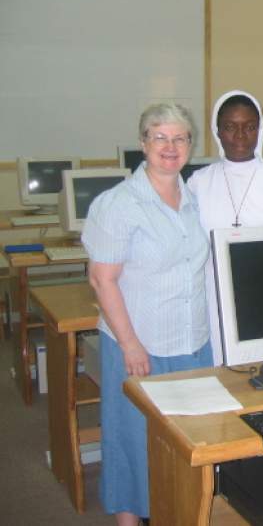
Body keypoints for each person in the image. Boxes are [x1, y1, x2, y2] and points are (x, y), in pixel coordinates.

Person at [83, 104, 213, 526]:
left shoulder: (192, 198)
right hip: (139, 344)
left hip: (192, 342)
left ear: (191, 145)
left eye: (180, 138)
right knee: (132, 441)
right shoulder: (118, 203)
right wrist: (130, 344)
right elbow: (102, 280)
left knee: (187, 444)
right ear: (143, 143)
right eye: (160, 137)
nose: (170, 147)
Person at [187, 90, 263, 365]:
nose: (240, 135)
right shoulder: (198, 183)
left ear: (259, 130)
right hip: (212, 299)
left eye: (249, 127)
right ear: (218, 131)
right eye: (230, 127)